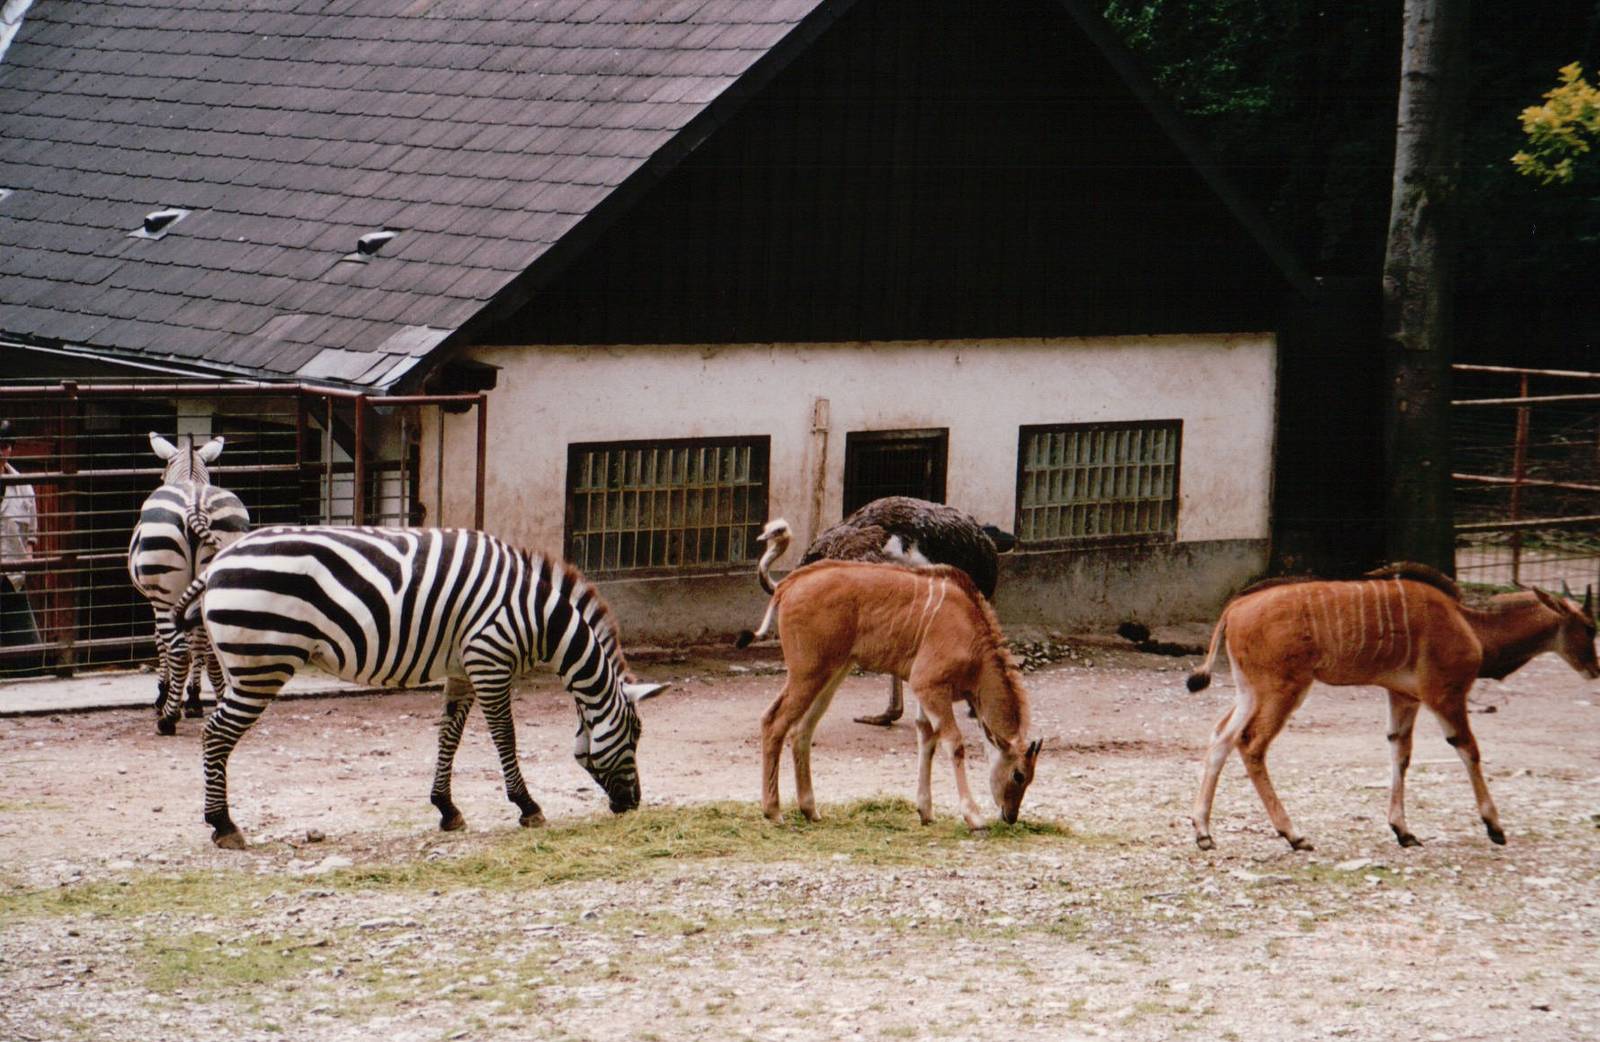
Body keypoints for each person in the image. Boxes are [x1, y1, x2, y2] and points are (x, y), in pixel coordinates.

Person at [0, 420, 43, 674]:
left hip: (13, 579)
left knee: (29, 655)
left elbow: (31, 535)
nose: (2, 451)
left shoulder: (24, 485)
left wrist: (27, 562)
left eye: (6, 446)